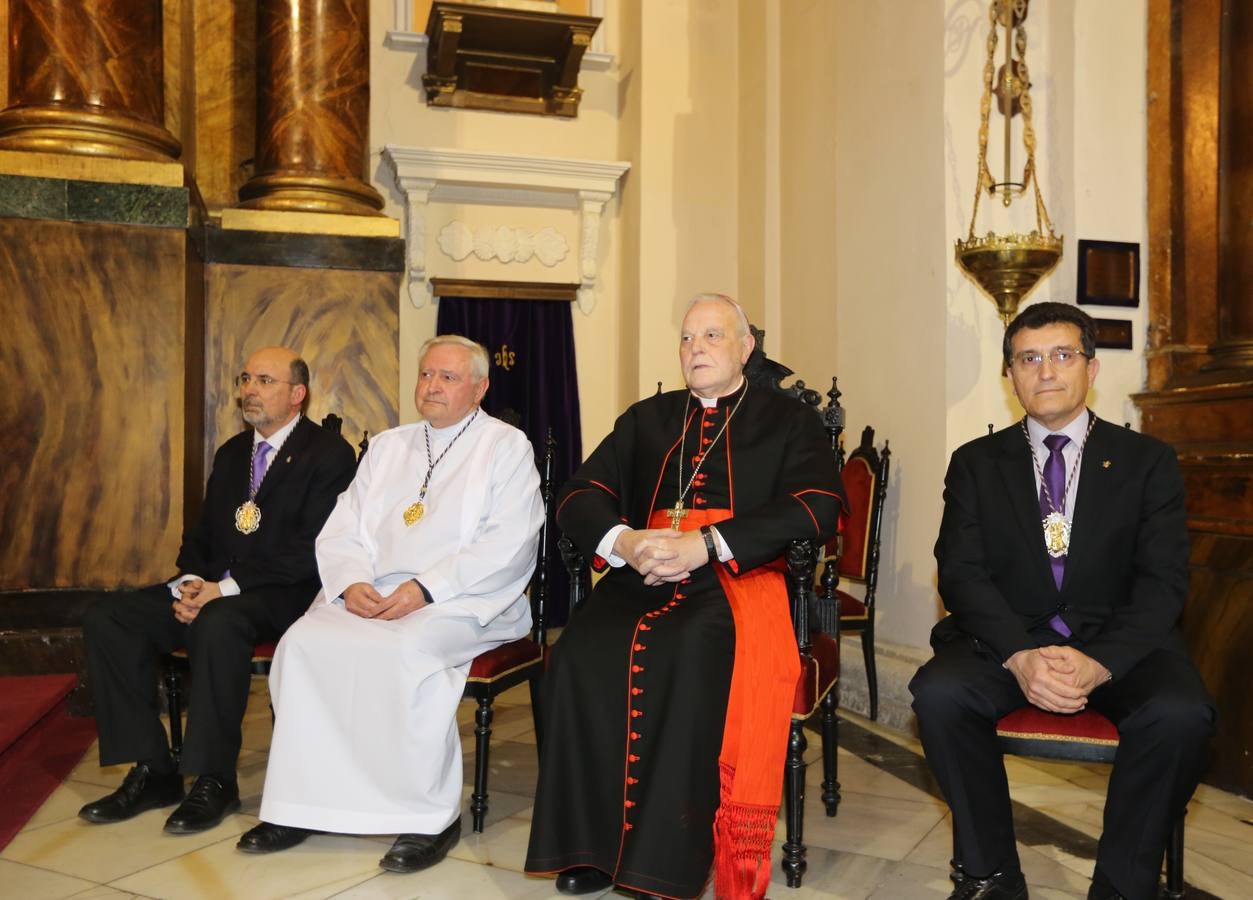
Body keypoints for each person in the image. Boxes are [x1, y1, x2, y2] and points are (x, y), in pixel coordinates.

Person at [525, 294, 844, 900]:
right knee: (576, 658)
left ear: (746, 347)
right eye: (687, 338)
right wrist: (627, 539)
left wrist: (710, 542)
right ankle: (589, 849)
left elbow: (818, 506)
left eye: (713, 336)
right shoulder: (647, 418)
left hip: (735, 576)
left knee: (685, 650)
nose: (696, 348)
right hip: (642, 572)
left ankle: (665, 860)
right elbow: (577, 494)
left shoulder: (788, 420)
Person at [910, 302, 1215, 900]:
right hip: (1007, 638)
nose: (1045, 371)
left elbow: (1163, 582)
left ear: (1092, 369)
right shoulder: (976, 464)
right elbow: (962, 573)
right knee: (940, 695)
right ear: (1011, 375)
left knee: (1181, 714)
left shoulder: (1147, 462)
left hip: (1119, 644)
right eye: (1028, 358)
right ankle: (991, 875)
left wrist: (1101, 660)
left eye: (1061, 355)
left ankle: (1123, 888)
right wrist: (1021, 655)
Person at [235, 335, 544, 874]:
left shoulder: (506, 446)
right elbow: (345, 526)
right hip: (376, 591)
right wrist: (351, 581)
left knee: (407, 651)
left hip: (464, 600)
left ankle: (427, 817)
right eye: (426, 374)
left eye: (447, 377)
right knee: (304, 644)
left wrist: (423, 590)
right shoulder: (389, 446)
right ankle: (303, 803)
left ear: (480, 387)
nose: (431, 386)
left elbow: (510, 542)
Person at [80, 346, 357, 834]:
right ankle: (154, 769)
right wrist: (191, 582)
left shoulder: (329, 453)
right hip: (214, 588)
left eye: (265, 381)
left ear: (298, 394)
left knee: (218, 620)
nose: (250, 389)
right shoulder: (232, 453)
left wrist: (221, 590)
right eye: (247, 378)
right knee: (111, 617)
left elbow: (314, 548)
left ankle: (214, 778)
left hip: (284, 594)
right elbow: (203, 534)